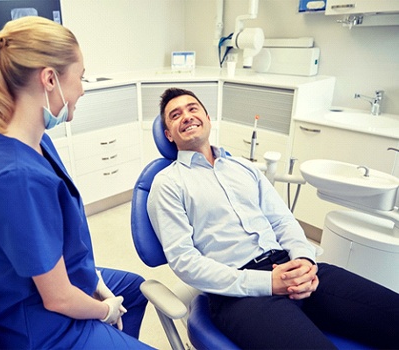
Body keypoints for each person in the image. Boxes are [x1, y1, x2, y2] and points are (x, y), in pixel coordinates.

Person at [147, 87, 399, 349]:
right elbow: (185, 261)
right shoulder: (167, 184)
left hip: (290, 265)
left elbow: (282, 220)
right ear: (169, 135)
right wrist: (267, 283)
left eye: (192, 109)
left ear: (208, 119)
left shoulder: (243, 167)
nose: (186, 116)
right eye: (175, 115)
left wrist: (303, 260)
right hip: (238, 293)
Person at [0, 17, 153, 349]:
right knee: (117, 307)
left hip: (61, 283)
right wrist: (103, 310)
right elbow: (58, 299)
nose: (82, 88)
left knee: (134, 290)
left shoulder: (32, 140)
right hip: (43, 326)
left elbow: (58, 240)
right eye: (79, 77)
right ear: (50, 79)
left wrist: (93, 279)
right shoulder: (16, 178)